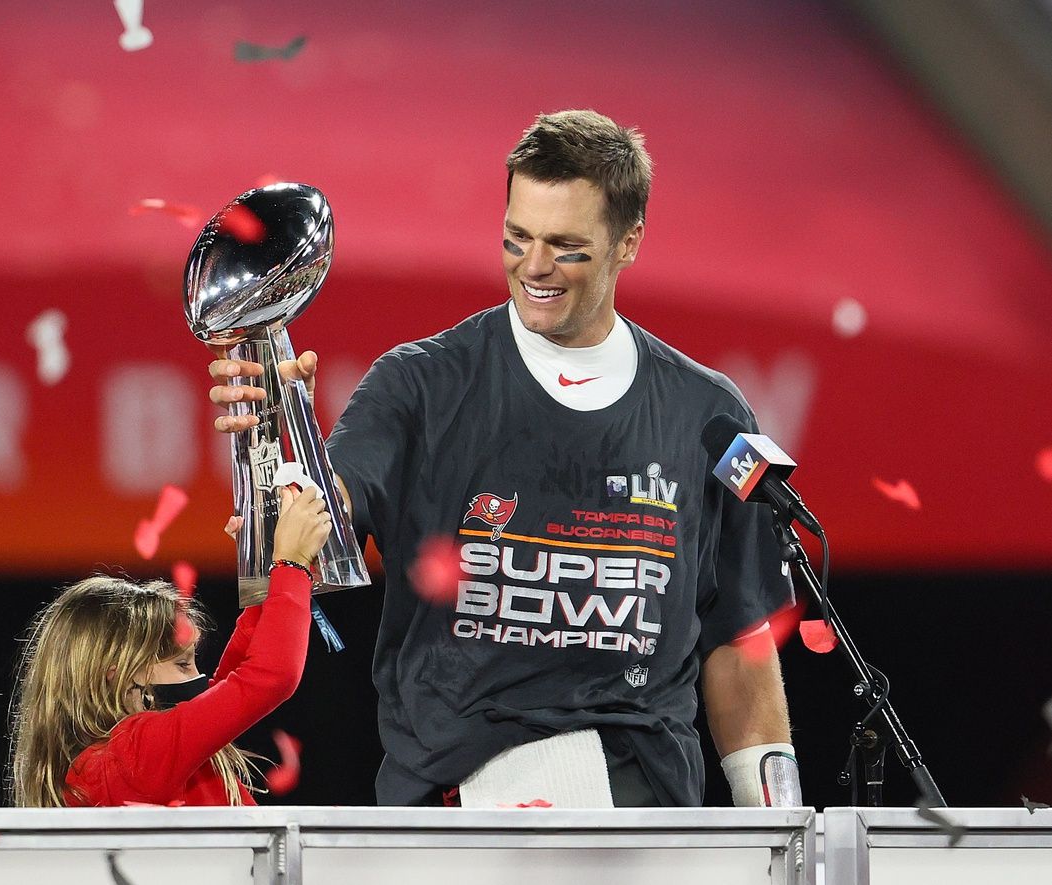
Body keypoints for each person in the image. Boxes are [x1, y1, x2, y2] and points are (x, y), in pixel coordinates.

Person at [208, 110, 800, 808]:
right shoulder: (418, 385)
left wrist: (779, 832)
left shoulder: (705, 412)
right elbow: (299, 560)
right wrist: (276, 444)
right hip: (458, 816)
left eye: (565, 246)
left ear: (628, 241)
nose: (534, 266)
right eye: (516, 238)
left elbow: (739, 639)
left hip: (645, 821)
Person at [9, 486, 331, 807]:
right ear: (117, 675)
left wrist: (267, 570)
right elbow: (268, 676)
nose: (203, 680)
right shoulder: (132, 757)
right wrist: (293, 563)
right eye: (181, 664)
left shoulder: (123, 758)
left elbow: (235, 678)